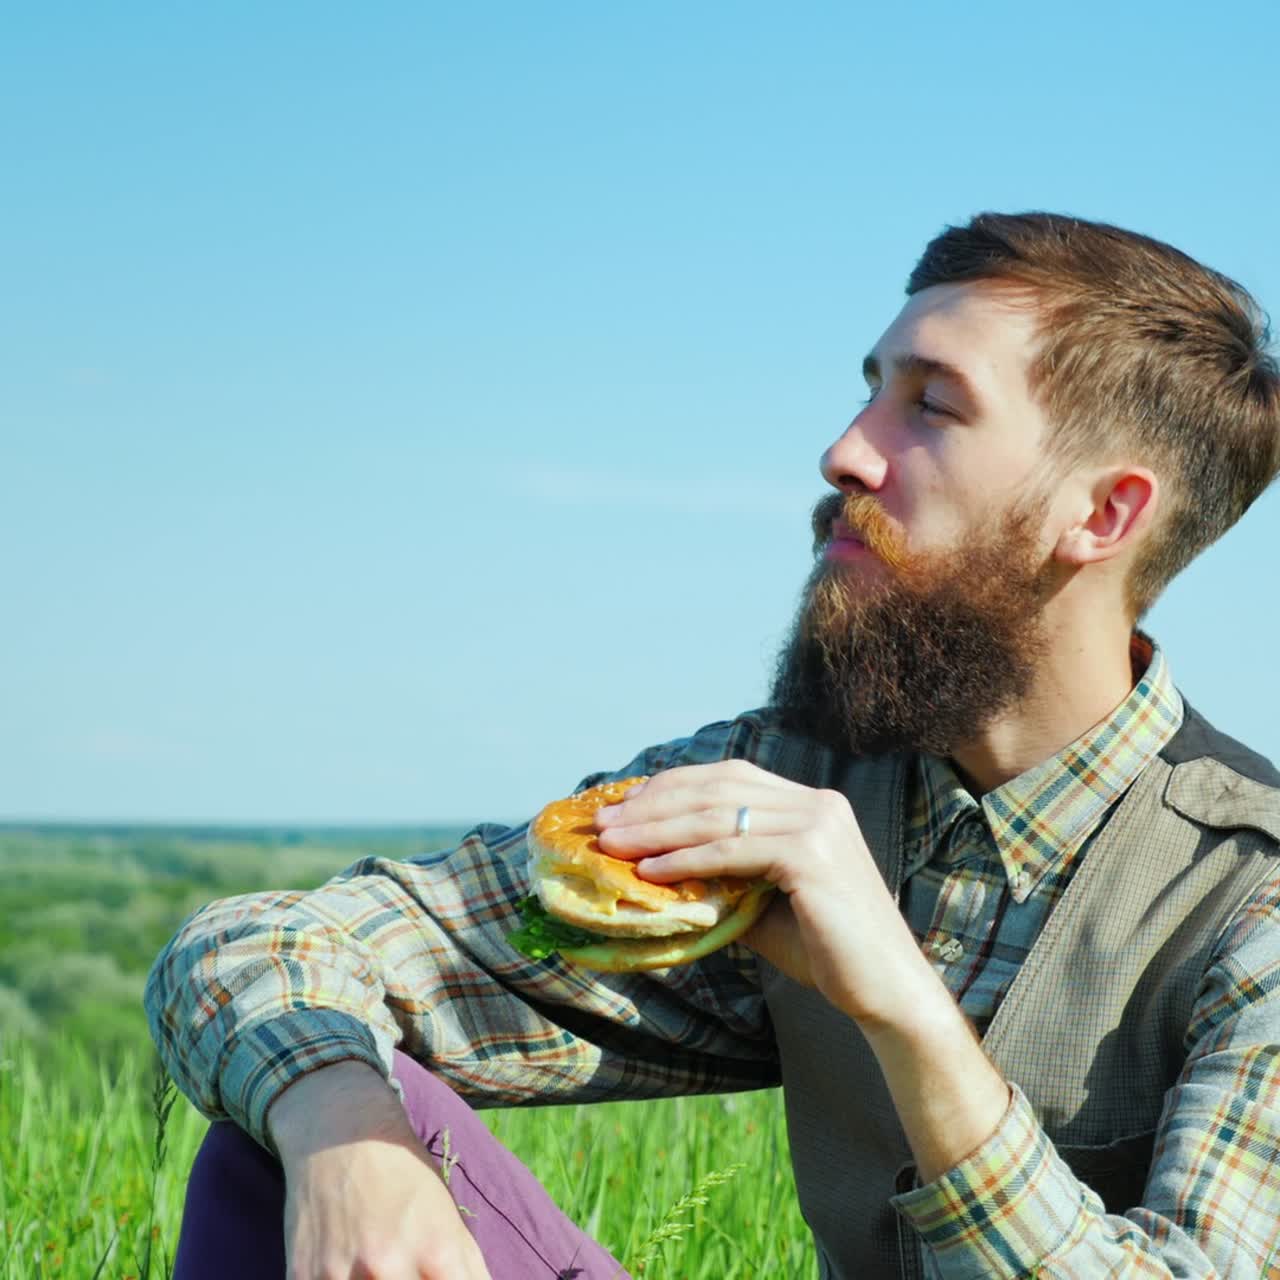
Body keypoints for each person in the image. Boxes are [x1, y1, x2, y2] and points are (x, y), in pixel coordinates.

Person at [146, 211, 1280, 1279]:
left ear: (1100, 515)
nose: (843, 454)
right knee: (297, 1109)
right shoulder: (784, 788)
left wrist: (898, 1002)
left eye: (930, 407)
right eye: (867, 393)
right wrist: (340, 1128)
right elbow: (260, 946)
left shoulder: (1251, 894)